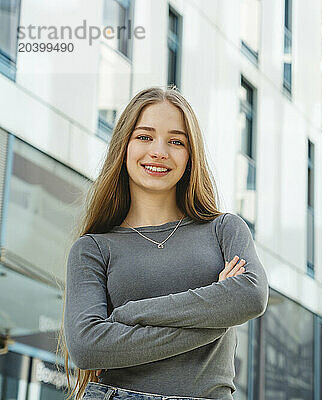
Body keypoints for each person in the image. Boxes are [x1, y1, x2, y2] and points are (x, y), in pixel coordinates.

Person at [56, 86, 269, 400]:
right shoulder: (93, 249)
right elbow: (88, 347)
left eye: (176, 141)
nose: (159, 151)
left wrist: (128, 315)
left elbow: (250, 296)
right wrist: (217, 312)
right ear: (123, 146)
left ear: (190, 154)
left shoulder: (224, 229)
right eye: (144, 137)